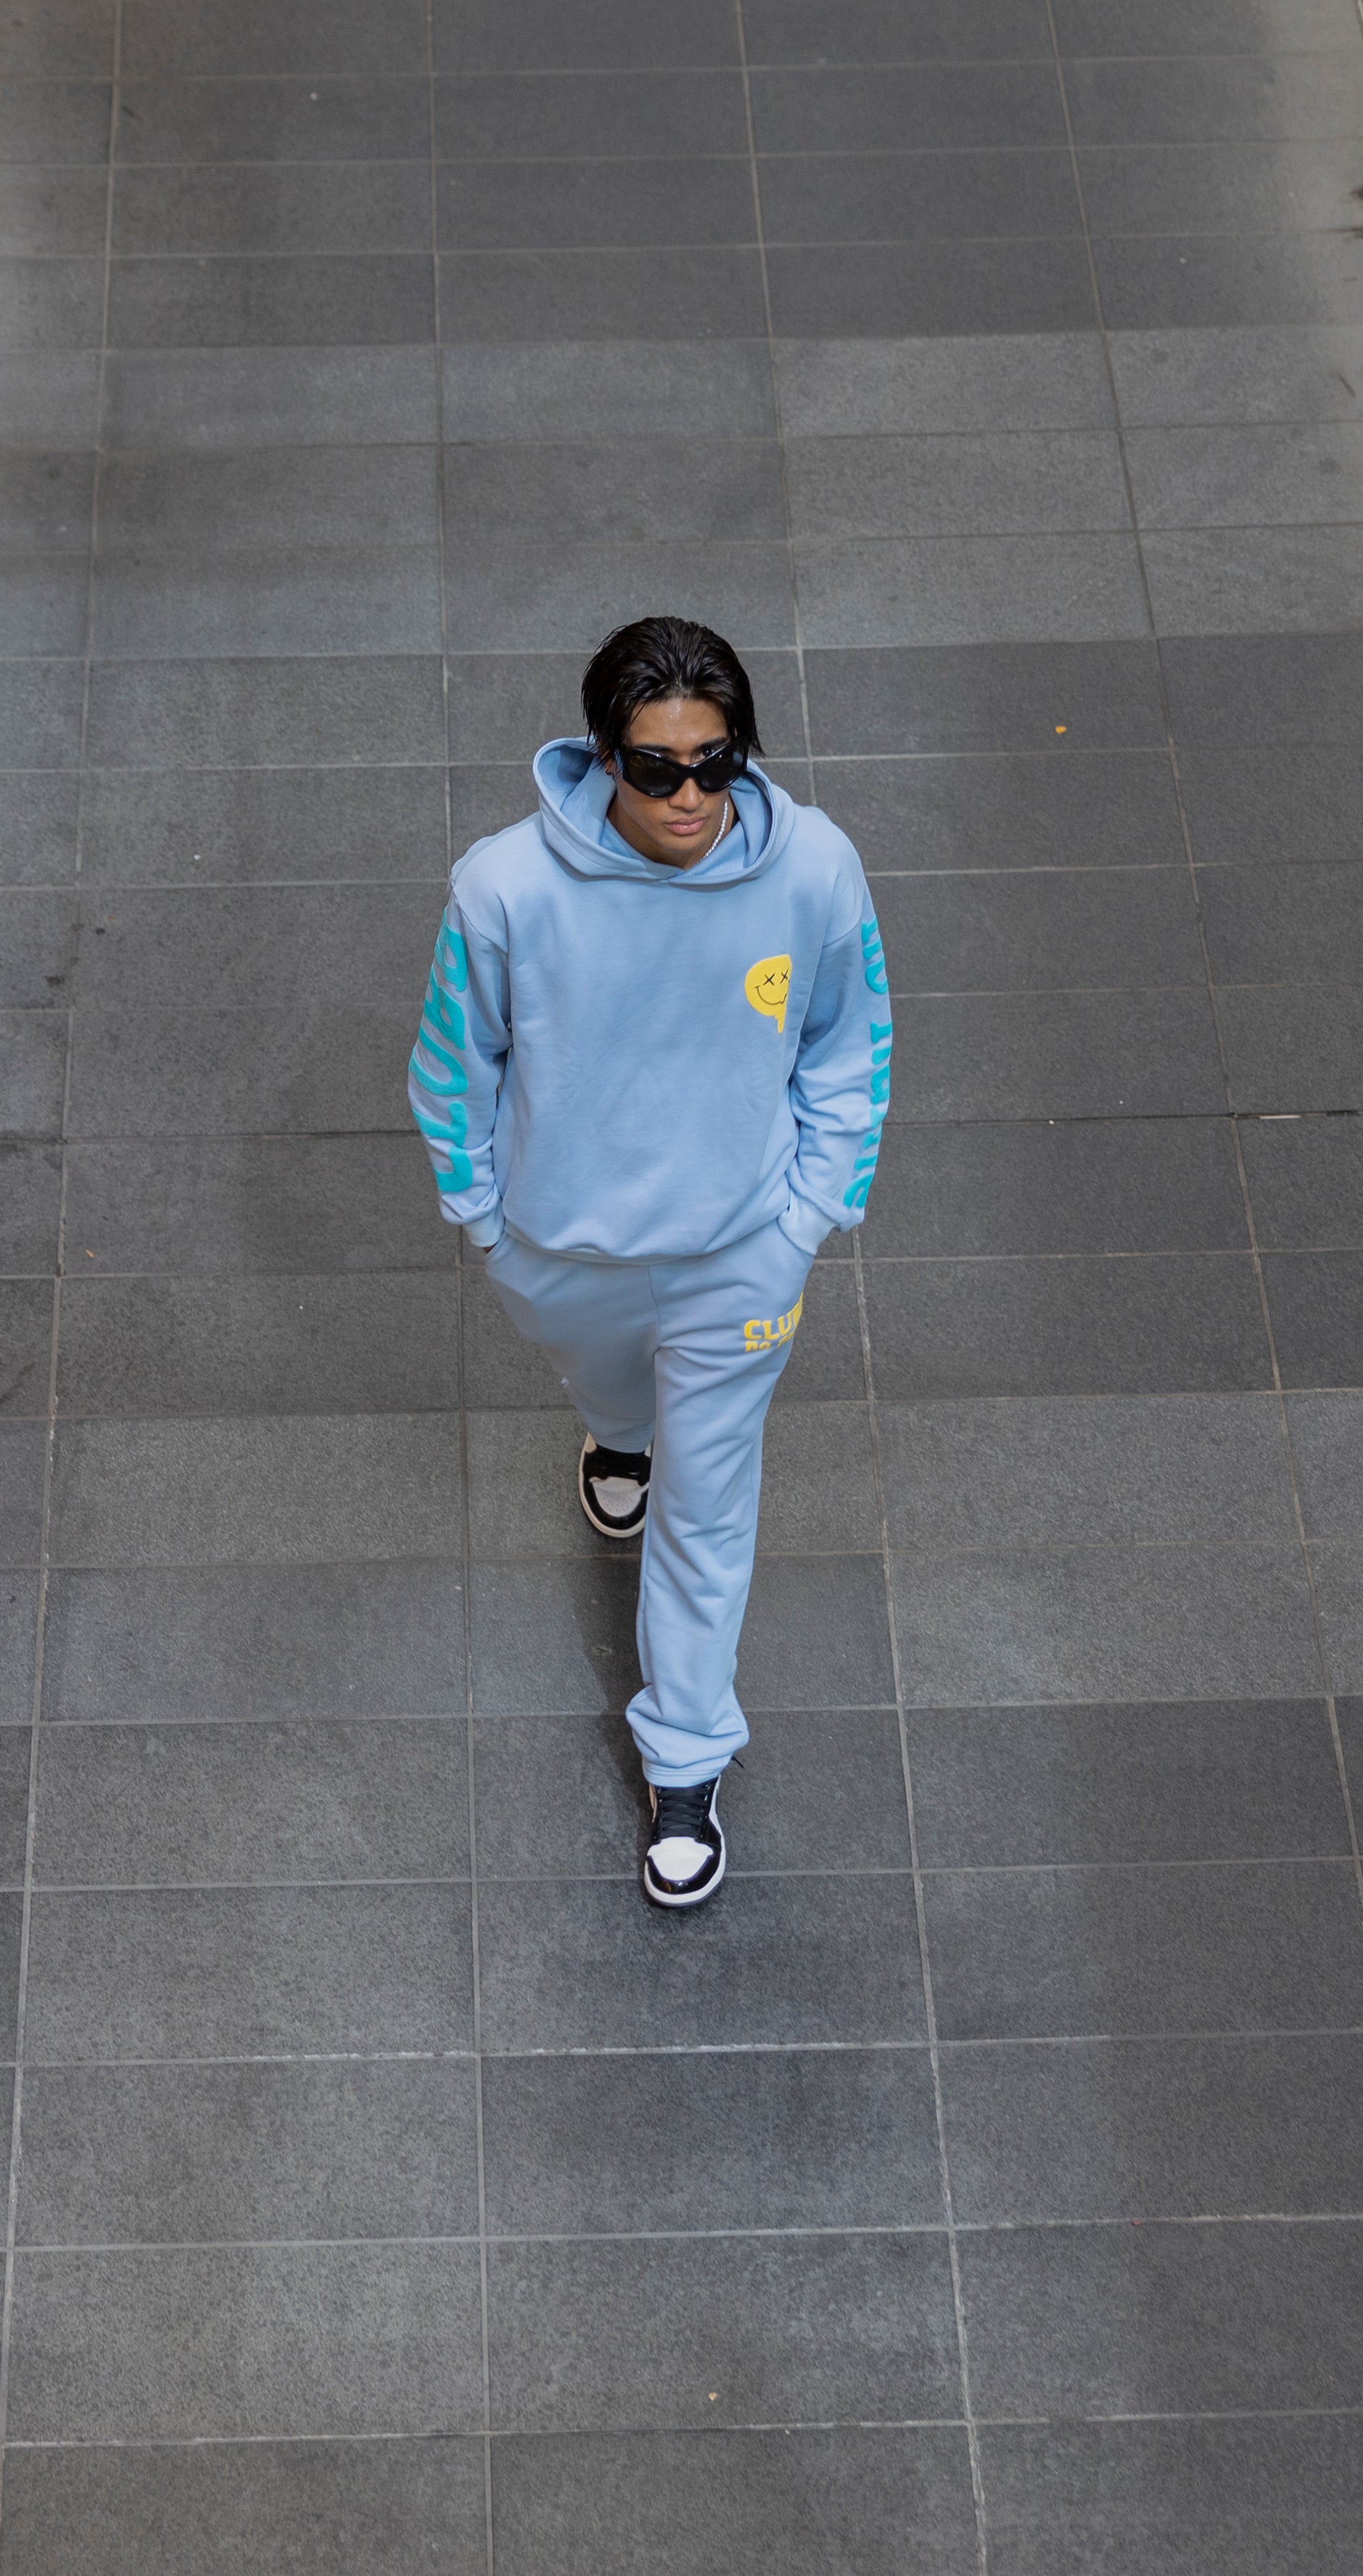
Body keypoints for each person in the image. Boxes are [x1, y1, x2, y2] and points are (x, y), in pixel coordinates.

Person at [408, 616, 891, 1909]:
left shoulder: (816, 868)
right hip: (563, 1253)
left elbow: (849, 1045)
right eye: (656, 766)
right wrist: (483, 1218)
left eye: (715, 762)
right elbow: (454, 1061)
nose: (689, 794)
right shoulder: (504, 887)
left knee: (707, 1505)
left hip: (742, 1262)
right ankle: (619, 1432)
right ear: (603, 755)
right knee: (612, 1394)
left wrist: (809, 1218)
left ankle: (685, 1758)